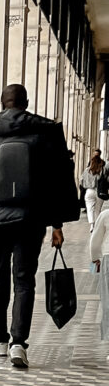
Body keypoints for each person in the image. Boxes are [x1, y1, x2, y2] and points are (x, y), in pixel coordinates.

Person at [0, 83, 79, 369]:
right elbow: (57, 182)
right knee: (24, 280)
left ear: (2, 103)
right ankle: (19, 343)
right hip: (30, 219)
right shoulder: (44, 136)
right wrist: (57, 223)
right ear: (25, 103)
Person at [89, 203, 109, 356]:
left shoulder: (105, 214)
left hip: (108, 259)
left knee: (108, 302)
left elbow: (95, 242)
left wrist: (95, 258)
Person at [81, 151, 107, 231]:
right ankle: (98, 226)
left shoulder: (86, 170)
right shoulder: (103, 170)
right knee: (97, 209)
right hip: (99, 191)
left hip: (89, 191)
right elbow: (106, 179)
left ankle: (92, 225)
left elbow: (82, 181)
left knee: (89, 209)